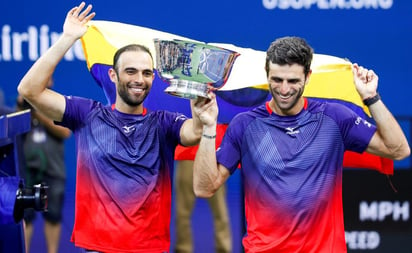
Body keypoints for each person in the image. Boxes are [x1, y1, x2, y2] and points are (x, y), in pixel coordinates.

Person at [17, 2, 217, 253]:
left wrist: (202, 117)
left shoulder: (163, 123)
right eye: (130, 71)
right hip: (96, 248)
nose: (139, 79)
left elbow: (193, 132)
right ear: (113, 75)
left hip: (150, 249)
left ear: (153, 78)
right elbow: (28, 90)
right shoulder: (87, 114)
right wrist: (68, 38)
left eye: (146, 73)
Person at [192, 36, 411, 253]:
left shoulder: (334, 117)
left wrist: (371, 98)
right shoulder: (245, 125)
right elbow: (204, 188)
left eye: (293, 81)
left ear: (308, 77)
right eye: (277, 80)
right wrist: (209, 127)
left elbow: (398, 150)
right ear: (266, 74)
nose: (284, 90)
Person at [16, 77, 71, 253]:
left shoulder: (56, 105)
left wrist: (38, 111)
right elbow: (14, 130)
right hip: (29, 170)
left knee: (53, 216)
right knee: (26, 216)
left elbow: (65, 132)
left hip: (53, 170)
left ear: (51, 83)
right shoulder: (23, 107)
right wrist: (23, 106)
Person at [174, 124, 231, 253]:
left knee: (220, 210)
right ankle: (183, 249)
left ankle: (224, 249)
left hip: (213, 153)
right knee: (182, 211)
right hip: (188, 152)